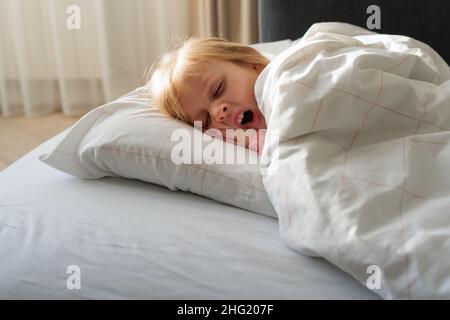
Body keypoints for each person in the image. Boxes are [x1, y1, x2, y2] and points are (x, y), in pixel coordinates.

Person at [149, 37, 269, 153]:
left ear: (253, 65)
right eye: (205, 119)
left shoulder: (282, 80)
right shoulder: (259, 141)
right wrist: (250, 139)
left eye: (218, 89)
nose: (217, 113)